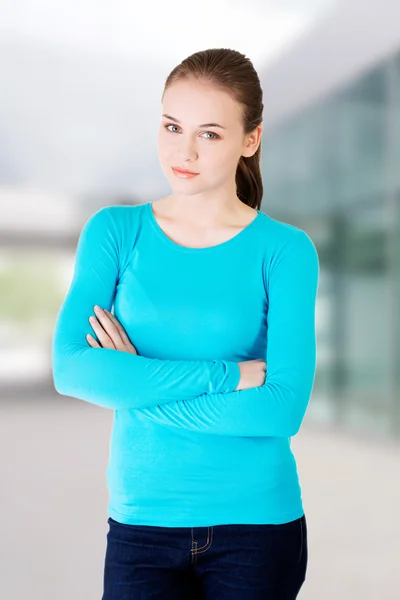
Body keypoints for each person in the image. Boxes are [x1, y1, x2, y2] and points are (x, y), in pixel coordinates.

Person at [52, 47, 319, 599]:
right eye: (173, 126)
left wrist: (132, 385)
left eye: (210, 134)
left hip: (257, 528)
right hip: (141, 526)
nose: (185, 151)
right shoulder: (114, 232)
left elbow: (282, 407)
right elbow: (72, 369)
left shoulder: (286, 251)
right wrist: (228, 376)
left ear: (251, 140)